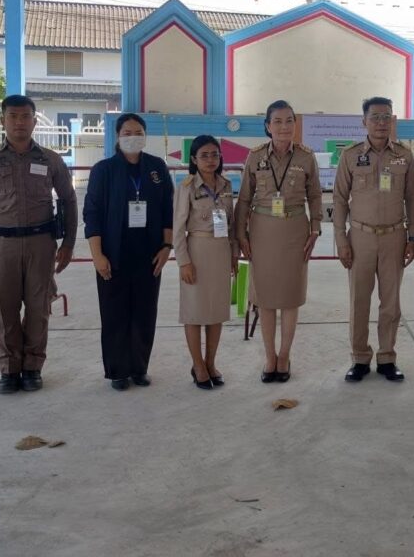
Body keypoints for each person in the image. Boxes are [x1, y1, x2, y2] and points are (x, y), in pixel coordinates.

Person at [0, 95, 78, 394]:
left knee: (39, 308)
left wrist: (69, 243)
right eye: (13, 116)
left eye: (25, 116)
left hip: (41, 244)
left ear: (35, 122)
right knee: (5, 309)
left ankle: (32, 368)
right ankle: (9, 370)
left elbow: (69, 200)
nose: (19, 122)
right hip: (1, 245)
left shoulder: (50, 159)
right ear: (2, 121)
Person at [83, 113, 174, 391]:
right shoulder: (104, 170)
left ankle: (139, 368)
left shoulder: (156, 167)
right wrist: (97, 255)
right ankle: (118, 371)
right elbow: (92, 214)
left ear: (145, 136)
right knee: (115, 314)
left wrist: (167, 247)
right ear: (118, 136)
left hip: (149, 255)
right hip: (113, 255)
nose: (133, 137)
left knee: (145, 314)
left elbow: (168, 209)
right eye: (127, 133)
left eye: (138, 133)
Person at [235, 100, 322, 383]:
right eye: (278, 121)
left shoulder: (306, 157)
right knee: (266, 298)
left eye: (289, 121)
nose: (284, 127)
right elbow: (244, 198)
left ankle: (284, 355)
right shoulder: (255, 157)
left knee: (290, 297)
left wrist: (315, 229)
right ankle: (269, 356)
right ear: (267, 126)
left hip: (295, 230)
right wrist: (241, 234)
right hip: (262, 231)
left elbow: (315, 195)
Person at [333, 98, 414, 383]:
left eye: (386, 117)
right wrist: (341, 241)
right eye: (375, 117)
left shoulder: (404, 156)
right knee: (359, 301)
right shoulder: (351, 156)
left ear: (392, 121)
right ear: (364, 122)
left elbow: (413, 199)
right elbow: (339, 199)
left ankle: (386, 357)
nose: (381, 123)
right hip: (360, 238)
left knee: (390, 303)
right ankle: (359, 358)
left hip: (394, 237)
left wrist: (412, 238)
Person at [173, 135, 237, 390]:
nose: (211, 160)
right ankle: (197, 365)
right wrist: (183, 262)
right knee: (194, 312)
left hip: (221, 252)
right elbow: (178, 229)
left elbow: (232, 225)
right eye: (204, 155)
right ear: (194, 159)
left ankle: (211, 362)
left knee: (216, 311)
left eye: (215, 154)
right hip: (196, 252)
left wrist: (234, 256)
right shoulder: (187, 187)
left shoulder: (226, 185)